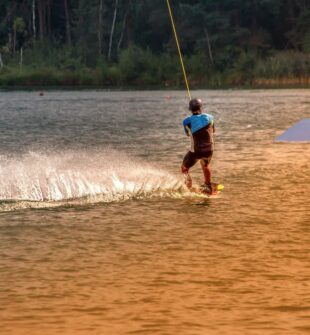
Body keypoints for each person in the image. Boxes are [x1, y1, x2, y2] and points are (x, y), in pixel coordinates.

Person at [181, 98, 215, 194]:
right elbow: (213, 130)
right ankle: (208, 185)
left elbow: (188, 134)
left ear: (190, 109)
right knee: (205, 165)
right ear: (201, 107)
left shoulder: (186, 121)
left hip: (197, 150)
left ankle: (188, 186)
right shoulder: (210, 117)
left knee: (184, 168)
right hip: (210, 149)